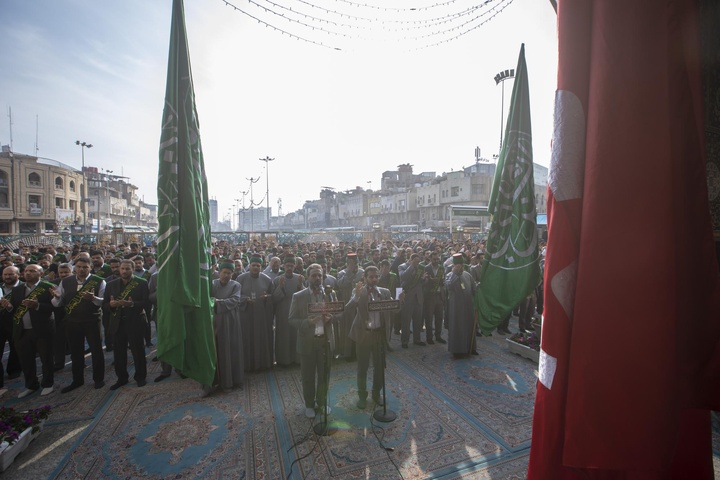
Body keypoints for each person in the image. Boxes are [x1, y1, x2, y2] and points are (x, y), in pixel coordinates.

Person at [51, 256, 106, 392]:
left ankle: (98, 379)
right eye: (79, 267)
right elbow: (58, 303)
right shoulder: (66, 282)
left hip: (92, 321)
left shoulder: (99, 281)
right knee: (76, 352)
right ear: (74, 267)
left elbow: (103, 301)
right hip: (72, 322)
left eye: (85, 267)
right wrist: (56, 298)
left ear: (90, 268)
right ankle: (77, 380)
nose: (81, 269)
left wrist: (93, 298)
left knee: (96, 351)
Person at [289, 264, 335, 419]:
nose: (317, 278)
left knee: (324, 375)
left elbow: (337, 313)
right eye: (314, 275)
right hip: (308, 342)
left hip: (324, 341)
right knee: (308, 376)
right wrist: (307, 322)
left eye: (320, 275)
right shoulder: (299, 296)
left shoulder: (329, 294)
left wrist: (331, 318)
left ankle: (321, 402)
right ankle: (309, 404)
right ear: (308, 277)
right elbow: (292, 319)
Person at [2, 264, 56, 398]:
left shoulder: (47, 287)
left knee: (46, 358)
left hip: (42, 329)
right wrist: (8, 307)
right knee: (26, 360)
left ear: (41, 273)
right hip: (23, 331)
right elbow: (14, 310)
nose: (28, 273)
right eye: (26, 271)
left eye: (32, 271)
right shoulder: (18, 290)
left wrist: (37, 306)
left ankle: (48, 384)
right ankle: (31, 385)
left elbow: (54, 307)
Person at [346, 266, 393, 409]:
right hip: (364, 334)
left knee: (379, 367)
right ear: (365, 278)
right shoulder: (358, 291)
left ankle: (376, 393)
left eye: (376, 276)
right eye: (371, 277)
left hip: (379, 334)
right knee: (362, 367)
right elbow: (348, 309)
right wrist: (357, 296)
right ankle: (362, 396)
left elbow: (395, 309)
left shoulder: (384, 292)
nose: (374, 279)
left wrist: (400, 301)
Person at [104, 260, 149, 390]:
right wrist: (111, 306)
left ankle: (140, 377)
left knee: (138, 351)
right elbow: (105, 305)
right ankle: (121, 378)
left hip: (135, 322)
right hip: (117, 324)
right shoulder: (111, 285)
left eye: (127, 269)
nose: (124, 271)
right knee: (119, 353)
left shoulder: (141, 283)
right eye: (122, 268)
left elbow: (146, 303)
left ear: (133, 269)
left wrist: (132, 304)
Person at [236, 255, 274, 372]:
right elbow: (235, 296)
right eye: (253, 265)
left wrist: (267, 297)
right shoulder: (240, 278)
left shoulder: (267, 279)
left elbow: (273, 296)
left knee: (260, 339)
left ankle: (261, 364)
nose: (256, 267)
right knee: (246, 339)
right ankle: (246, 365)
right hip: (245, 314)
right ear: (249, 266)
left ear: (261, 267)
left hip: (260, 315)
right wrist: (245, 299)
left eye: (258, 266)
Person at [210, 262, 244, 391]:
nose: (226, 275)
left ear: (232, 274)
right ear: (219, 272)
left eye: (229, 273)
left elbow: (235, 300)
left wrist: (217, 302)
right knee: (216, 350)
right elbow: (208, 299)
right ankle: (216, 381)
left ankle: (232, 381)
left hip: (231, 322)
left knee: (231, 350)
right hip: (215, 321)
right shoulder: (212, 284)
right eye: (224, 272)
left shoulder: (236, 285)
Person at [272, 255, 305, 367]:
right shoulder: (277, 280)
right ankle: (284, 360)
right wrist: (280, 287)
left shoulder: (299, 278)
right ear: (283, 266)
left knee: (296, 335)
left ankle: (297, 359)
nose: (289, 268)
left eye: (291, 265)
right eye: (287, 266)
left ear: (294, 266)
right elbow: (275, 298)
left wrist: (300, 286)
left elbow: (305, 296)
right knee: (284, 336)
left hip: (296, 312)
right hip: (283, 312)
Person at [444, 254, 477, 356]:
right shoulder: (449, 276)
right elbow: (449, 286)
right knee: (457, 327)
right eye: (458, 266)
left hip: (468, 306)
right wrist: (455, 274)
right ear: (453, 266)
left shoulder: (467, 275)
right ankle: (457, 351)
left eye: (462, 266)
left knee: (469, 327)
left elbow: (474, 289)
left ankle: (471, 348)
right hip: (456, 308)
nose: (461, 268)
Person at [336, 253, 364, 359]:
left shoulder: (362, 272)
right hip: (348, 303)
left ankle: (359, 351)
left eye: (355, 263)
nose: (354, 265)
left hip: (360, 304)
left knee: (360, 327)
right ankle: (347, 352)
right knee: (347, 328)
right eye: (351, 263)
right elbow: (341, 284)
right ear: (347, 264)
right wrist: (349, 271)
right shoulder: (341, 273)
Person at [0, 266, 23, 390]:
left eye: (10, 274)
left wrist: (10, 307)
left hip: (17, 322)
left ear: (18, 275)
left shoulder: (23, 288)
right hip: (0, 323)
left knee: (15, 347)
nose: (7, 277)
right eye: (5, 275)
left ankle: (14, 369)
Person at [398, 253, 427, 348]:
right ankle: (405, 341)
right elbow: (403, 277)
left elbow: (422, 282)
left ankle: (417, 339)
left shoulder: (421, 267)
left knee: (418, 320)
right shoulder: (402, 266)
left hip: (418, 297)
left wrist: (424, 279)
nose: (417, 263)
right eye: (415, 261)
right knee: (406, 320)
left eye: (418, 261)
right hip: (407, 297)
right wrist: (411, 266)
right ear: (410, 260)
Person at [423, 251, 446, 344]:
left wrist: (442, 281)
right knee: (429, 318)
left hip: (439, 295)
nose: (436, 260)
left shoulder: (441, 268)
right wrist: (430, 280)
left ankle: (438, 336)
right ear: (430, 259)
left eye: (437, 259)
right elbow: (423, 283)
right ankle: (429, 338)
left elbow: (443, 281)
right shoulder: (426, 268)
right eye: (434, 259)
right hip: (430, 296)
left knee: (439, 317)